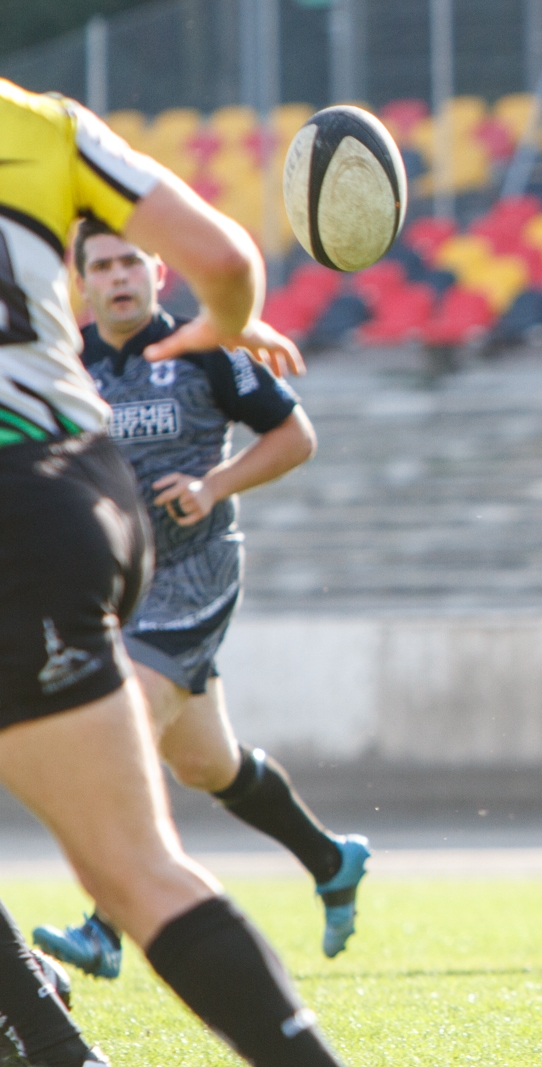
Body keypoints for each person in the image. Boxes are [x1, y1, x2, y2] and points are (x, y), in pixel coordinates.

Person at [0, 77, 345, 1066]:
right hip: (81, 494)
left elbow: (291, 432)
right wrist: (226, 317)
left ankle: (45, 1033)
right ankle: (43, 1029)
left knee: (132, 865)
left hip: (21, 513)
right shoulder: (41, 122)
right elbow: (228, 261)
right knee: (145, 855)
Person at [31, 221, 370, 982]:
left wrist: (212, 486)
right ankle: (331, 859)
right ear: (82, 283)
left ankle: (106, 926)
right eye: (102, 267)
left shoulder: (207, 346)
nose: (118, 277)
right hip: (118, 584)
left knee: (123, 722)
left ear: (158, 272)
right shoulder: (65, 362)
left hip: (195, 572)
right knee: (207, 764)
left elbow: (295, 436)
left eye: (131, 263)